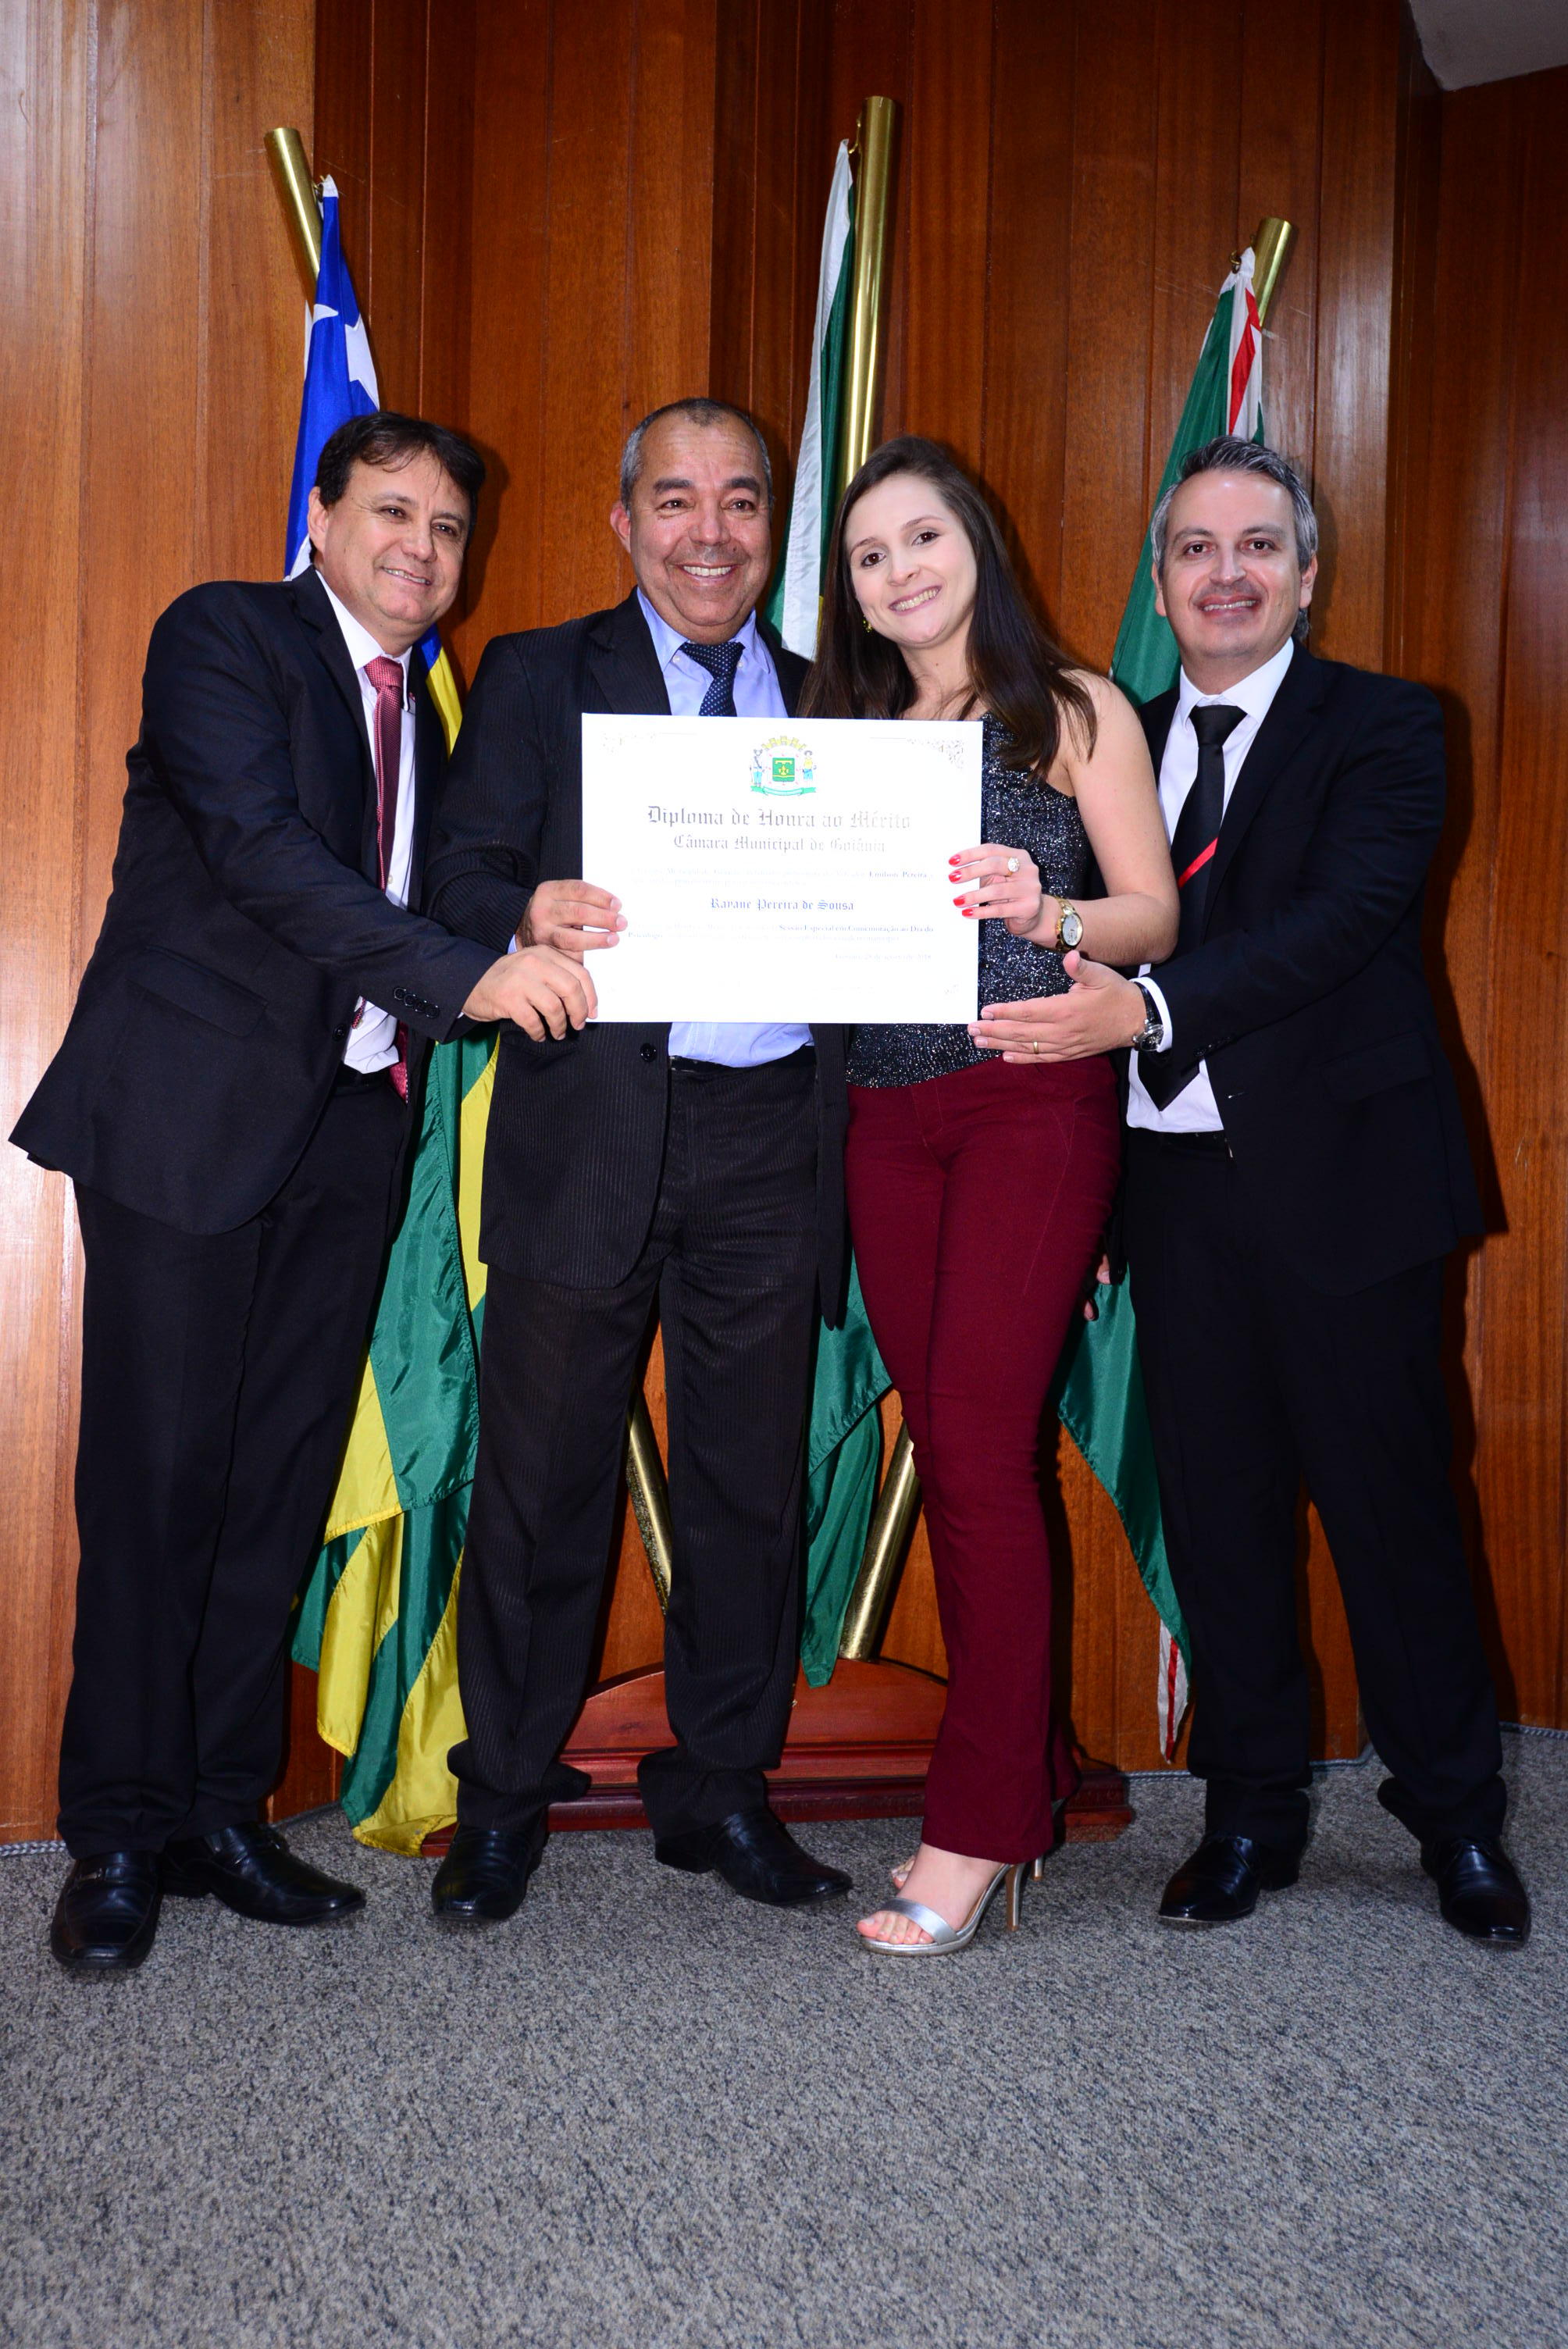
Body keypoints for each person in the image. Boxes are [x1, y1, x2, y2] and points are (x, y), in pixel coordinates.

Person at [15, 412, 580, 1976]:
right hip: (188, 1124)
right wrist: (472, 973)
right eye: (391, 512)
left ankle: (215, 1808)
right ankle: (116, 1833)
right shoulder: (224, 637)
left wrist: (528, 916)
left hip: (348, 1134)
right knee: (157, 1486)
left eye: (447, 527)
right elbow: (264, 853)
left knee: (272, 1484)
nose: (421, 547)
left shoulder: (432, 719)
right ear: (321, 518)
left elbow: (442, 884)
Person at [972, 435, 1528, 1947]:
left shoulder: (1389, 727)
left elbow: (1339, 922)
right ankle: (1248, 1812)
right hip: (1171, 1190)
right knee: (1218, 1515)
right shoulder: (1105, 738)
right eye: (1195, 550)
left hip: (1349, 1184)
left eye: (1258, 546)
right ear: (1157, 584)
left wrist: (1148, 1010)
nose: (1227, 574)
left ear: (1306, 574)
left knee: (1392, 1511)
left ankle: (1453, 1816)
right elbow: (1058, 940)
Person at [421, 397, 853, 1923]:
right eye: (675, 500)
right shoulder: (539, 674)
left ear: (772, 528)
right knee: (540, 1484)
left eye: (740, 502)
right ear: (624, 522)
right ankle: (500, 1799)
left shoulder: (839, 699)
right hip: (586, 1123)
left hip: (772, 1133)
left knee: (748, 1486)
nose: (707, 533)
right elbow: (456, 873)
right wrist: (521, 907)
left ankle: (719, 1788)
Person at [800, 436, 1178, 1955]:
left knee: (970, 1448)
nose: (899, 570)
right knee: (958, 1448)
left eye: (922, 537)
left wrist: (1053, 908)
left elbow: (1153, 916)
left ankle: (976, 1828)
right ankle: (1018, 1784)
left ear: (978, 542)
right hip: (883, 1125)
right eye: (868, 555)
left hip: (1030, 1100)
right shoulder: (845, 739)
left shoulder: (1072, 707)